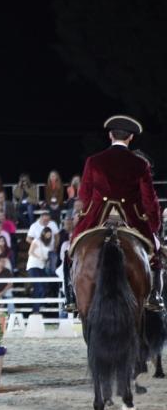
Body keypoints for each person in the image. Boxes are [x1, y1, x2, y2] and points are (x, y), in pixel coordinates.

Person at [67, 115, 163, 311]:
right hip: (132, 217)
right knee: (154, 254)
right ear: (130, 138)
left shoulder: (93, 161)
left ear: (110, 135)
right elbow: (149, 199)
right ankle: (155, 296)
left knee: (70, 252)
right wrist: (154, 224)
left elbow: (84, 194)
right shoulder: (140, 164)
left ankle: (71, 297)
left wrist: (80, 218)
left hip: (96, 217)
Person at [26, 228, 54, 313]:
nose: (48, 235)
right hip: (33, 265)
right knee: (39, 287)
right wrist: (40, 258)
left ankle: (38, 304)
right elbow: (30, 252)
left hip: (41, 267)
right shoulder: (36, 241)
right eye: (47, 234)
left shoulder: (48, 244)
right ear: (43, 233)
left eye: (50, 234)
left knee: (44, 286)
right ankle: (36, 309)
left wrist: (45, 259)